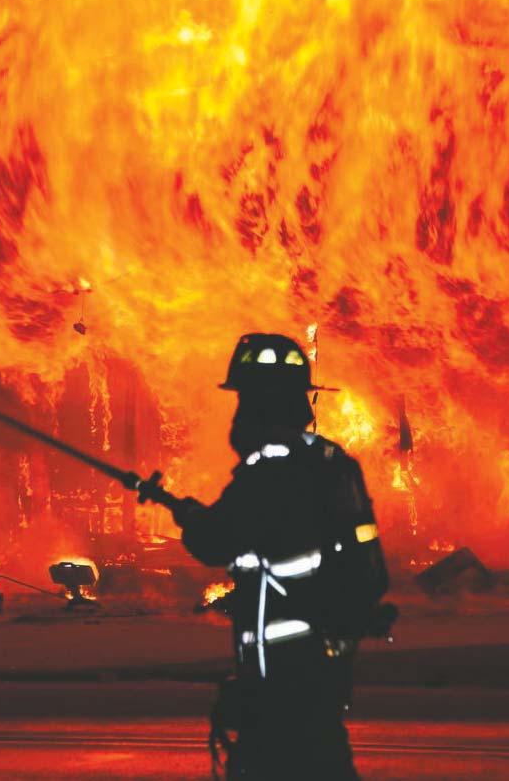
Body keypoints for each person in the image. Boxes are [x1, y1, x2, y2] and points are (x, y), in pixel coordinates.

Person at [138, 333, 391, 780]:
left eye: (245, 399)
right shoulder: (333, 463)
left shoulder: (270, 470)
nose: (239, 413)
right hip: (324, 666)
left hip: (282, 678)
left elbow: (216, 540)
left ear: (261, 405)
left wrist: (189, 516)